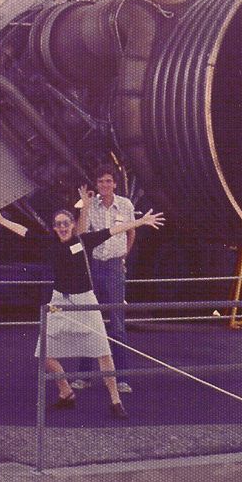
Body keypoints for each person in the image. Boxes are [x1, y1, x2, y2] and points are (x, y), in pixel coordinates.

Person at [0, 188, 164, 419]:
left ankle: (116, 401)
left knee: (103, 353)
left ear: (72, 224)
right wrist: (0, 219)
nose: (63, 227)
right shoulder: (49, 243)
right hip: (59, 301)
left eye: (66, 223)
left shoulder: (84, 240)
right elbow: (24, 232)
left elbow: (113, 230)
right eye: (58, 224)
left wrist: (141, 221)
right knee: (45, 354)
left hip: (85, 300)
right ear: (54, 227)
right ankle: (66, 393)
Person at [73, 164, 136, 392]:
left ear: (115, 184)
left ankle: (121, 379)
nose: (105, 185)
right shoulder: (92, 207)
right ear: (97, 185)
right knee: (90, 320)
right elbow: (80, 234)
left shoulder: (125, 205)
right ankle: (84, 376)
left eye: (109, 181)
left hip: (114, 267)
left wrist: (123, 257)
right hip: (95, 266)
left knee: (117, 324)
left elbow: (131, 232)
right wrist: (85, 209)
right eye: (101, 181)